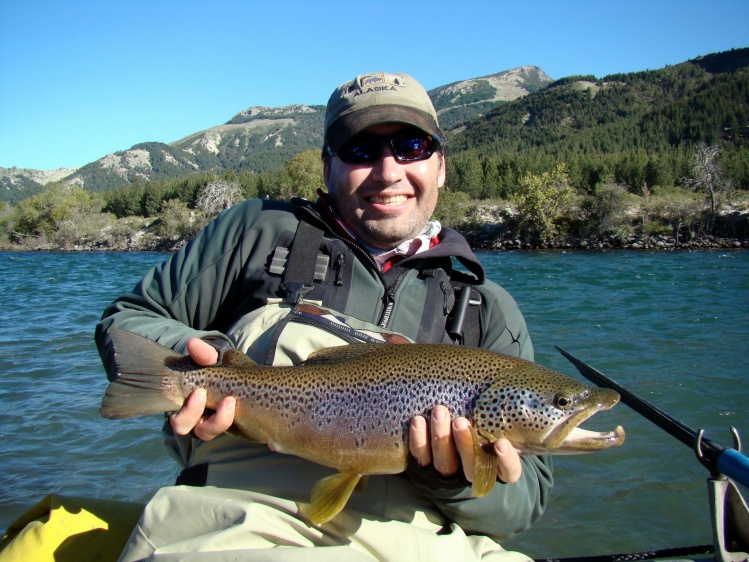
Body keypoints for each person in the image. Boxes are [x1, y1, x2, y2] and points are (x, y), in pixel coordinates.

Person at [95, 71, 553, 562]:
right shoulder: (258, 232)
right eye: (360, 149)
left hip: (428, 544)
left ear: (440, 165)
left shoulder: (487, 308)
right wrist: (210, 360)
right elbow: (129, 320)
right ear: (328, 164)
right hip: (246, 524)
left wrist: (454, 477)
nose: (388, 170)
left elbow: (523, 507)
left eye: (411, 145)